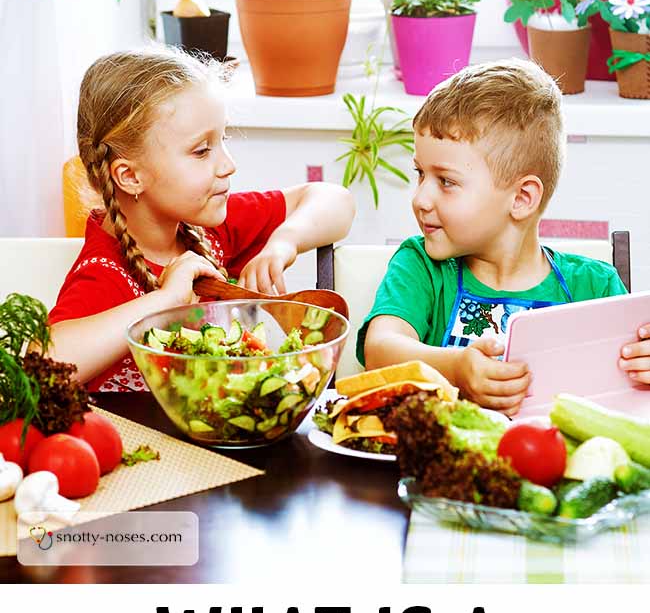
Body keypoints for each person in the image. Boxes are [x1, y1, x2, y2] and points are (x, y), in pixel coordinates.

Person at [49, 46, 355, 391]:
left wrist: (285, 241)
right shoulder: (103, 273)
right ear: (130, 176)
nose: (228, 164)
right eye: (201, 150)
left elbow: (336, 202)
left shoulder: (208, 228)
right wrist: (166, 300)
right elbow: (42, 369)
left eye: (222, 139)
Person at [359, 59, 630, 416]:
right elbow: (380, 349)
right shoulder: (421, 266)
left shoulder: (594, 288)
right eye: (419, 174)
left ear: (521, 198)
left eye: (446, 181)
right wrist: (456, 368)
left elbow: (626, 395)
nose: (420, 198)